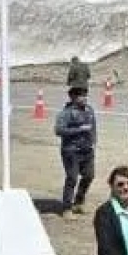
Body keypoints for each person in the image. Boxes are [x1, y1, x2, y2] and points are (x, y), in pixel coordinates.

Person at [56, 86, 98, 219]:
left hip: (87, 150)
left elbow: (93, 127)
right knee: (72, 178)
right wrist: (79, 129)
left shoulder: (89, 110)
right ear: (73, 97)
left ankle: (79, 202)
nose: (85, 98)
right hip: (71, 151)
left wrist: (94, 142)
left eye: (85, 95)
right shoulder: (66, 113)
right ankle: (67, 208)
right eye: (81, 96)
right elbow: (59, 130)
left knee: (89, 176)